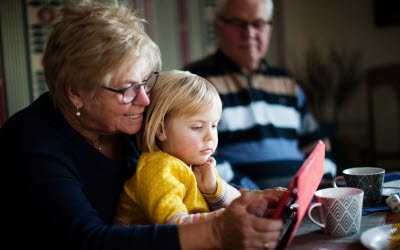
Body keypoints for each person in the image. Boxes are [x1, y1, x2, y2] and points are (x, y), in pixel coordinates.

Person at [0, 1, 284, 249]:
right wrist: (218, 232)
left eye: (146, 81)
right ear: (76, 92)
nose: (145, 99)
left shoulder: (127, 121)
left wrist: (249, 197)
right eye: (128, 88)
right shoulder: (29, 142)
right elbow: (85, 241)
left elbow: (188, 179)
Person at [184, 0, 337, 189]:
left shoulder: (287, 82)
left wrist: (319, 186)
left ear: (269, 28)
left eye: (258, 24)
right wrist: (252, 193)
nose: (249, 33)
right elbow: (195, 154)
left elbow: (317, 145)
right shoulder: (195, 82)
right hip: (240, 203)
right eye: (239, 24)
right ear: (219, 26)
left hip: (302, 200)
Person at [114, 70, 242, 226]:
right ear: (160, 130)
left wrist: (213, 188)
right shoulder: (158, 169)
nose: (210, 136)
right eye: (197, 127)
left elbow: (239, 203)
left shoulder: (196, 163)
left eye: (214, 125)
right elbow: (175, 227)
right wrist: (233, 215)